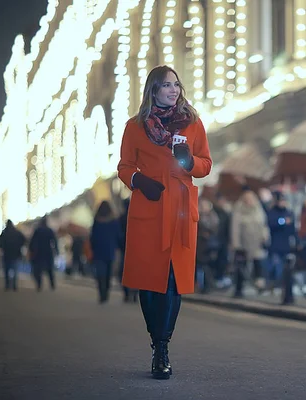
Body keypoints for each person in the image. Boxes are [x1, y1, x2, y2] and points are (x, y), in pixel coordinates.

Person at [117, 65, 212, 380]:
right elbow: (124, 165)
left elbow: (205, 164)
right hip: (150, 210)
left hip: (182, 212)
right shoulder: (135, 126)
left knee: (173, 280)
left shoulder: (193, 123)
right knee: (149, 282)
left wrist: (189, 160)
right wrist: (138, 180)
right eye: (166, 85)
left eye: (176, 84)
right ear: (153, 90)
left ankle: (162, 347)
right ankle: (155, 338)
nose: (173, 90)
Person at [230, 189, 270, 292]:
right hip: (244, 243)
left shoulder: (258, 209)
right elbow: (235, 229)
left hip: (257, 243)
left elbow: (264, 225)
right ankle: (239, 288)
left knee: (259, 264)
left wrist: (265, 236)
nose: (249, 201)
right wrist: (236, 244)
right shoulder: (238, 210)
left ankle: (259, 284)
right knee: (241, 266)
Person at [90, 201, 121, 304]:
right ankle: (106, 292)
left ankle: (102, 293)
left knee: (100, 273)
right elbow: (118, 235)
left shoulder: (96, 220)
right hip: (110, 250)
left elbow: (92, 236)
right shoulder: (114, 221)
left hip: (98, 251)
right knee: (108, 273)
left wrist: (92, 248)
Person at [266, 191, 298, 293]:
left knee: (286, 267)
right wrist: (283, 221)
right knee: (276, 266)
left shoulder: (289, 212)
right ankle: (275, 284)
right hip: (275, 244)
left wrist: (297, 241)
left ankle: (284, 286)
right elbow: (271, 224)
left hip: (286, 244)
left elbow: (293, 229)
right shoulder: (272, 212)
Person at [29, 216, 59, 291]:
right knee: (50, 270)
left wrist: (31, 250)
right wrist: (56, 250)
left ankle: (39, 285)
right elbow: (54, 241)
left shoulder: (37, 230)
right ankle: (52, 285)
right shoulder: (49, 230)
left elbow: (32, 241)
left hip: (38, 252)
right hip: (48, 252)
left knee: (38, 270)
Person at [0, 220, 26, 291]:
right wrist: (19, 247)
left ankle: (7, 285)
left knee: (7, 270)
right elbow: (24, 240)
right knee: (15, 270)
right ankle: (14, 285)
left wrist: (3, 247)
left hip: (7, 254)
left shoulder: (4, 233)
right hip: (15, 254)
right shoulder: (17, 233)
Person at [118, 197, 138, 303]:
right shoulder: (137, 216)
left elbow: (118, 234)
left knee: (124, 270)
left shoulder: (121, 218)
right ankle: (135, 292)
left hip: (124, 248)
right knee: (136, 270)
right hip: (137, 247)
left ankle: (126, 292)